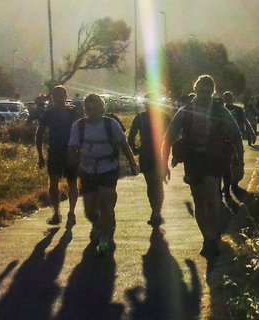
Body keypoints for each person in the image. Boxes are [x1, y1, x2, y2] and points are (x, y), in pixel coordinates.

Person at [161, 75, 242, 258]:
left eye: (207, 92)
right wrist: (163, 164)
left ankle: (213, 237)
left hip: (214, 159)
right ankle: (207, 237)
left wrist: (239, 162)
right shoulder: (185, 111)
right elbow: (168, 138)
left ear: (212, 92)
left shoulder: (220, 111)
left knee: (212, 197)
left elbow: (236, 135)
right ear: (195, 90)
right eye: (200, 91)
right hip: (194, 160)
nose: (203, 95)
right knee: (199, 200)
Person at [69, 93, 137, 255]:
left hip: (108, 167)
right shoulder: (78, 126)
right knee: (90, 210)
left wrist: (133, 163)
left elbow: (123, 144)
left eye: (96, 107)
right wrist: (72, 166)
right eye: (89, 108)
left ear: (102, 108)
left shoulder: (111, 124)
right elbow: (72, 148)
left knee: (106, 203)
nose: (92, 111)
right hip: (87, 169)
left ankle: (105, 238)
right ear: (85, 109)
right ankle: (97, 224)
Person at [36, 85, 79, 226]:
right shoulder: (49, 114)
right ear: (52, 98)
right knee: (53, 183)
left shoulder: (73, 113)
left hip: (71, 152)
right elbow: (40, 134)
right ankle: (56, 212)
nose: (59, 99)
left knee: (72, 183)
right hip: (54, 152)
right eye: (56, 96)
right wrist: (40, 155)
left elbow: (82, 131)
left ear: (66, 97)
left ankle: (71, 212)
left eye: (62, 96)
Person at [128, 92, 167, 226]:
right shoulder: (162, 117)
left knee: (153, 185)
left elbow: (131, 137)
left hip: (151, 153)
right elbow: (131, 136)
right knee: (155, 184)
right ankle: (156, 211)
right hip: (154, 154)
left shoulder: (141, 118)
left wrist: (135, 149)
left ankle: (156, 211)